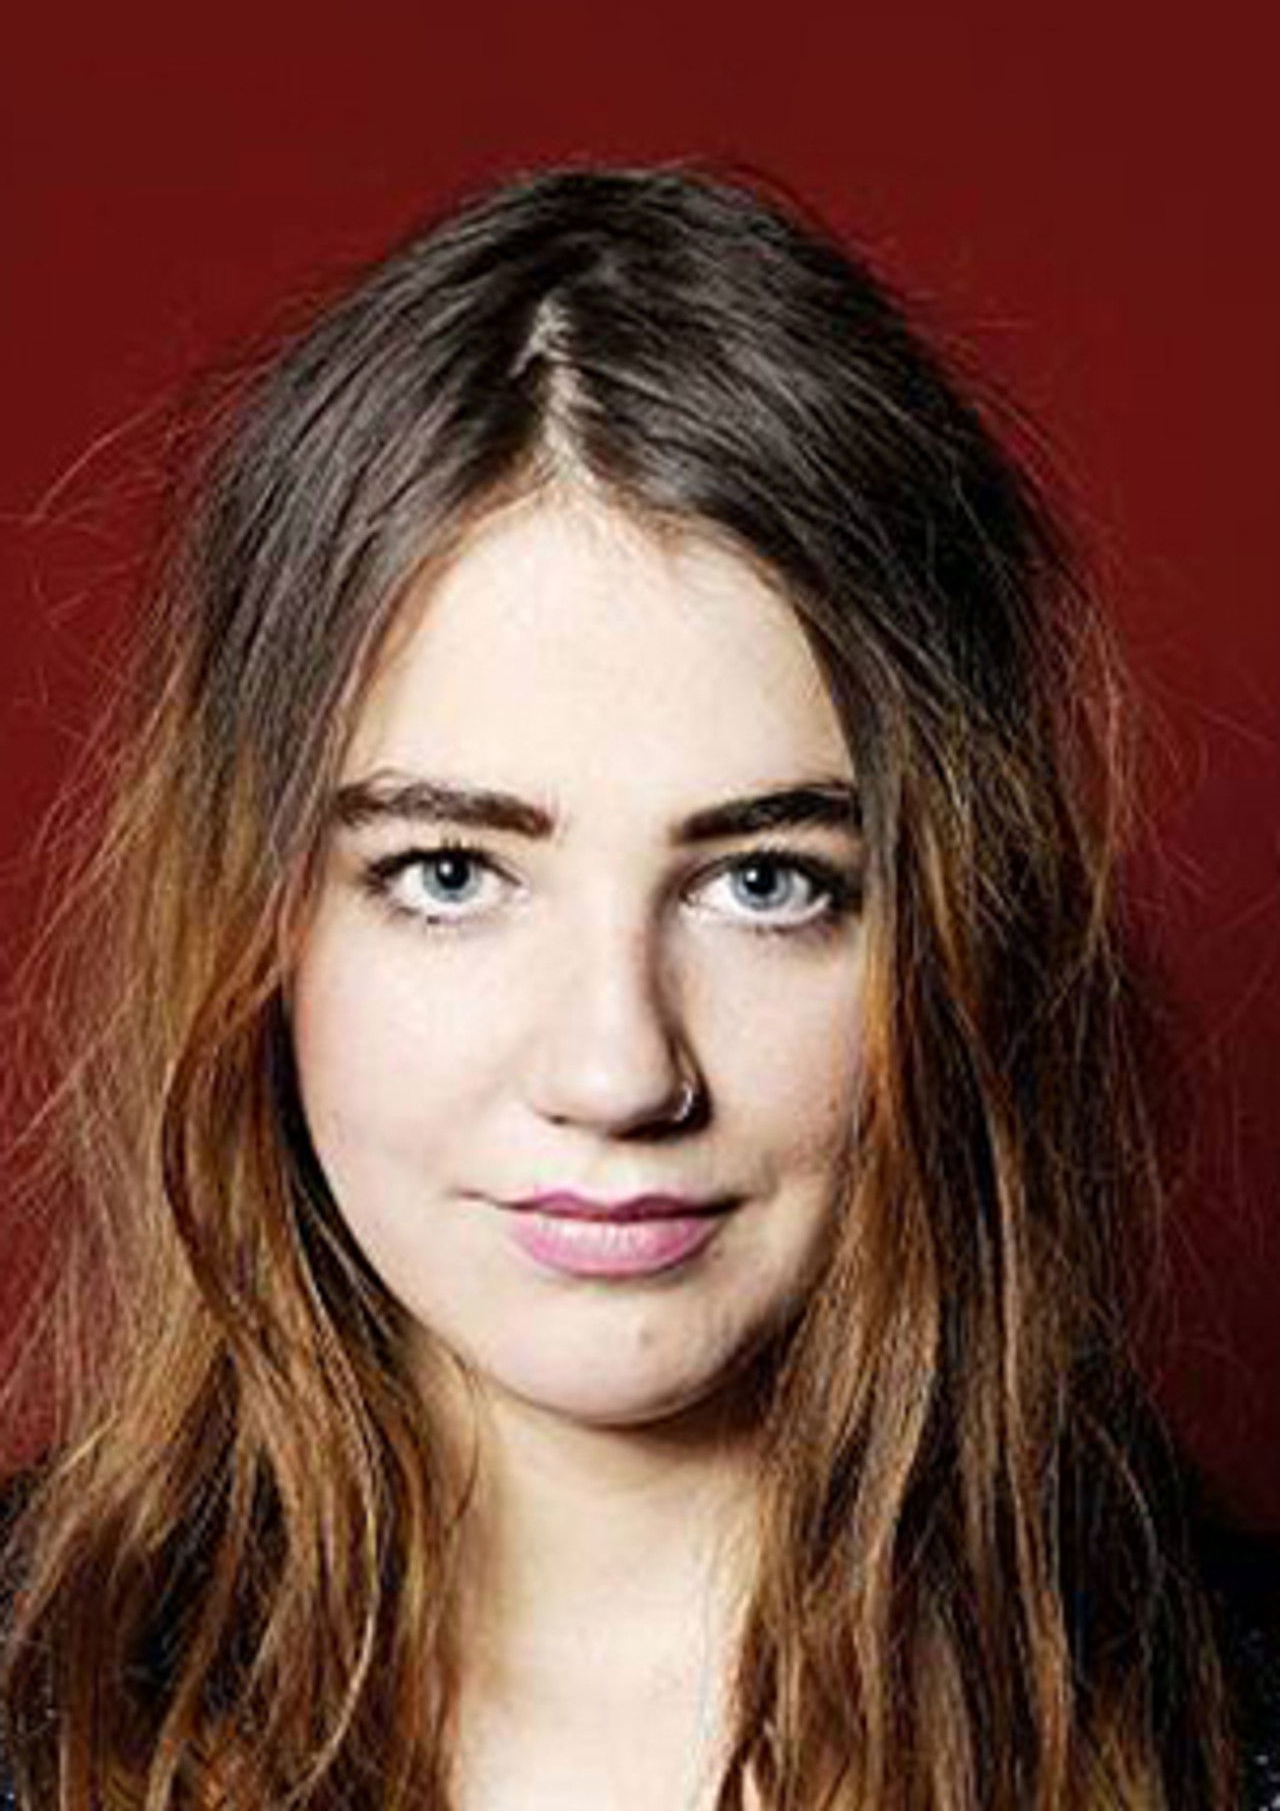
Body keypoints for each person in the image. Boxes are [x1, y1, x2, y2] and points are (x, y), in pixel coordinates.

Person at [0, 164, 1273, 1808]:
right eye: (451, 873)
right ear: (259, 920)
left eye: (766, 883)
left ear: (959, 936)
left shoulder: (1227, 1731)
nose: (617, 1071)